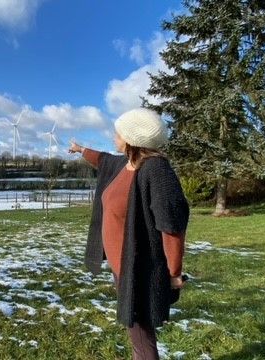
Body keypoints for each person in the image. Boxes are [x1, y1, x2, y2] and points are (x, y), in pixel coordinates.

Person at [68, 108, 189, 360]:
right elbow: (102, 159)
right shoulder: (127, 164)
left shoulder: (156, 170)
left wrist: (174, 274)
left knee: (142, 340)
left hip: (139, 270)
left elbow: (172, 225)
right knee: (137, 336)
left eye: (119, 133)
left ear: (134, 138)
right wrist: (81, 150)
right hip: (122, 266)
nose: (115, 136)